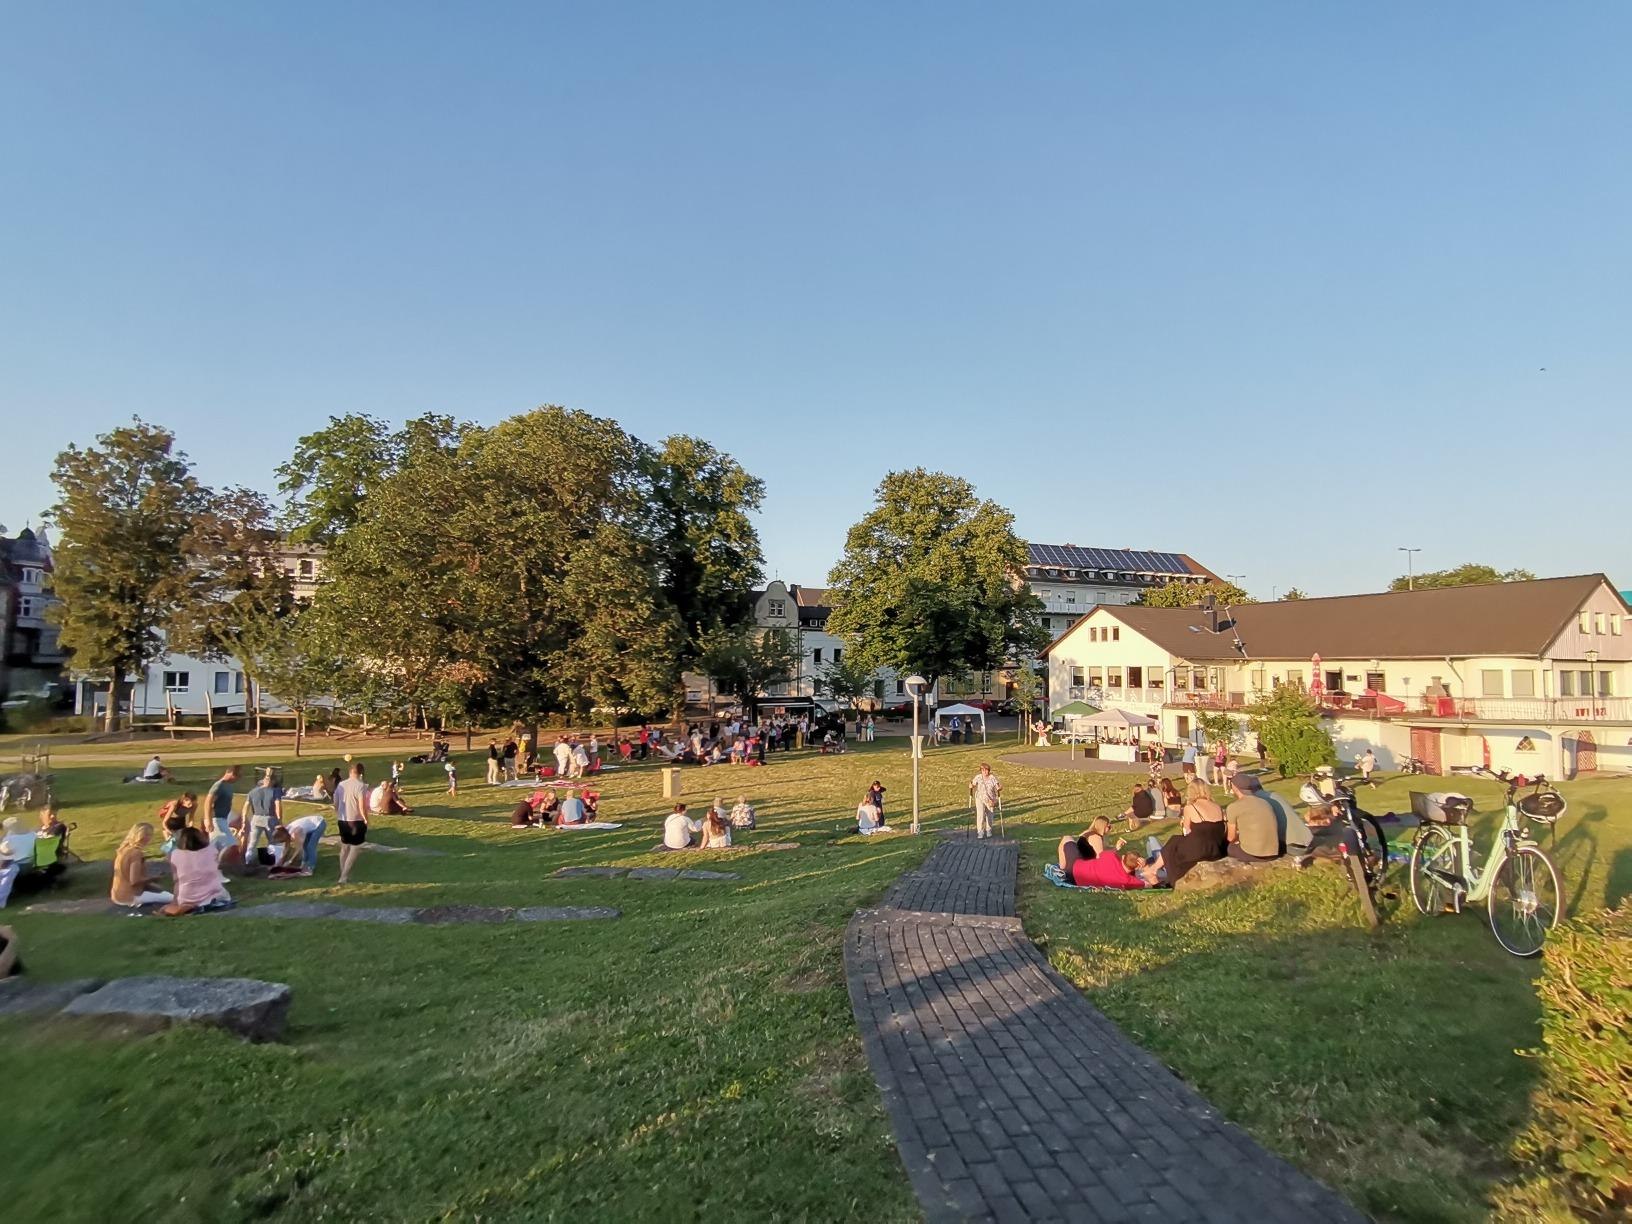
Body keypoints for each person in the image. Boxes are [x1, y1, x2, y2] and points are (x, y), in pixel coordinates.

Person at [1143, 780, 1228, 886]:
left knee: (1174, 842)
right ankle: (1155, 869)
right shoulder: (1217, 807)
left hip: (1199, 849)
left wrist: (1183, 823)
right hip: (1216, 848)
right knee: (1176, 842)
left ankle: (1155, 869)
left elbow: (1187, 831)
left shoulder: (1191, 807)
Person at [165, 825, 232, 914]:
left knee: (167, 908)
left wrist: (175, 902)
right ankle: (204, 904)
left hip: (187, 896)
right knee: (221, 896)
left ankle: (189, 906)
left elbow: (177, 881)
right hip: (214, 893)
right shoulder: (211, 850)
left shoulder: (175, 855)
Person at [110, 822, 173, 907]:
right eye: (149, 835)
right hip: (129, 897)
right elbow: (135, 881)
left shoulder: (123, 850)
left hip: (117, 895)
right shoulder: (136, 853)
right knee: (173, 898)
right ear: (143, 836)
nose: (150, 838)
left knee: (161, 892)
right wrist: (154, 879)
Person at [1225, 773, 1282, 862]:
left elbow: (1231, 838)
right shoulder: (1265, 802)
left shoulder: (1234, 807)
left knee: (1230, 848)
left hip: (1254, 854)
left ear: (1234, 787)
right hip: (1273, 852)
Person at [334, 762, 370, 885]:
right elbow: (362, 805)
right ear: (361, 773)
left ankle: (343, 873)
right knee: (355, 848)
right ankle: (344, 877)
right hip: (356, 820)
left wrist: (339, 813)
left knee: (344, 847)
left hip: (342, 819)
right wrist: (365, 818)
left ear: (350, 772)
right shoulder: (361, 786)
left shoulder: (341, 784)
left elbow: (335, 802)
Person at [242, 768, 283, 861]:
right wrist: (279, 820)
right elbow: (278, 806)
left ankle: (247, 860)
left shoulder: (252, 792)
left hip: (256, 818)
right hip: (270, 818)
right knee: (273, 842)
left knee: (252, 843)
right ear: (272, 782)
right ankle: (274, 861)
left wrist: (244, 820)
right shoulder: (275, 791)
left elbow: (245, 807)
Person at [203, 764, 241, 842]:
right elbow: (208, 802)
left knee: (227, 845)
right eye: (236, 775)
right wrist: (208, 820)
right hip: (216, 820)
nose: (238, 778)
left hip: (224, 820)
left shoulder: (229, 786)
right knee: (229, 844)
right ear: (229, 772)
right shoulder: (219, 785)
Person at [968, 764, 1002, 840]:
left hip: (990, 799)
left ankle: (988, 830)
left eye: (986, 770)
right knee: (980, 815)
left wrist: (1000, 788)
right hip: (979, 798)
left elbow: (998, 787)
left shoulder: (992, 778)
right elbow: (972, 784)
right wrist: (971, 786)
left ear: (989, 770)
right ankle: (980, 832)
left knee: (990, 815)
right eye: (983, 770)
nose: (984, 772)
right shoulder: (978, 777)